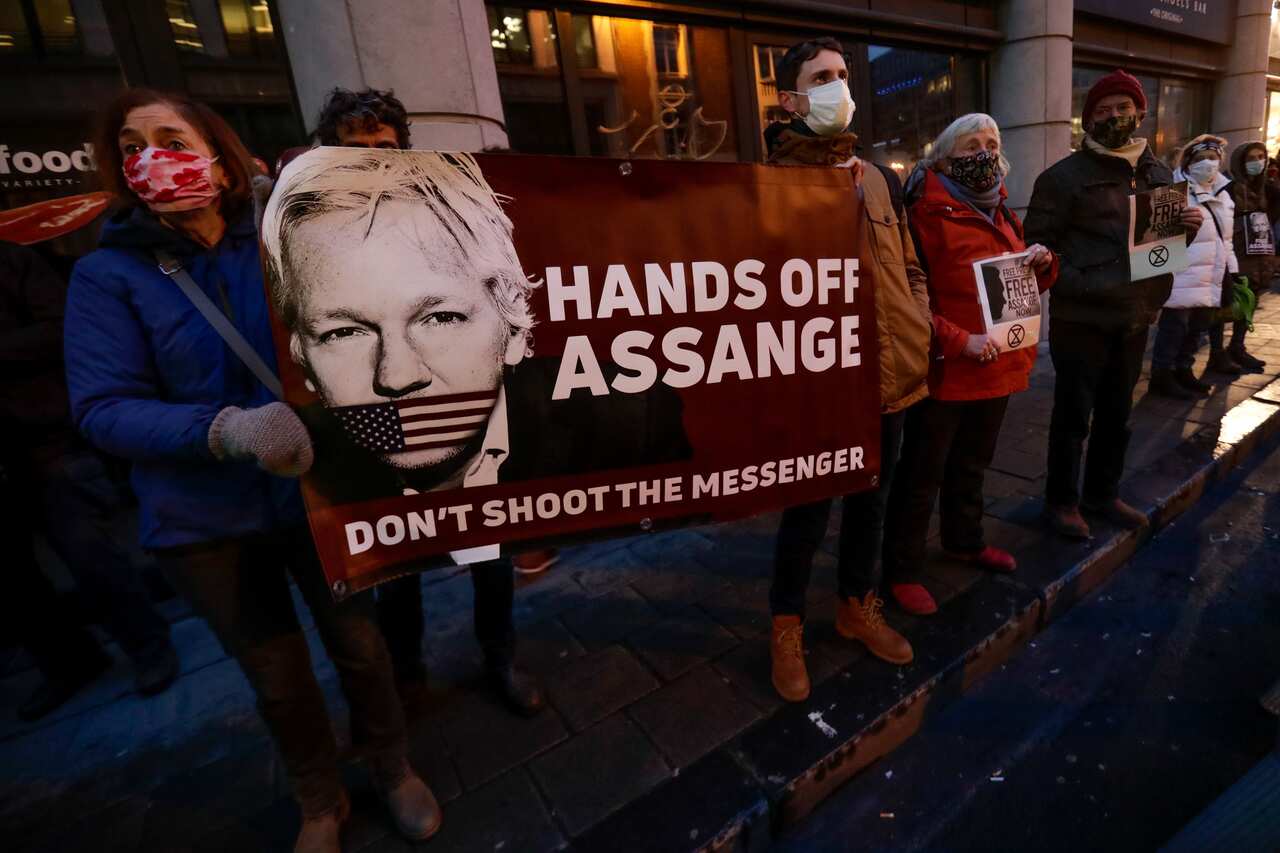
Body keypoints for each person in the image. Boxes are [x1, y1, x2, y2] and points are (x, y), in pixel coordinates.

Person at [63, 89, 439, 853]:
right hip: (204, 521)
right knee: (277, 676)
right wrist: (225, 430)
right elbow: (102, 407)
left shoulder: (283, 235)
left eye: (172, 140)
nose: (152, 159)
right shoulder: (107, 274)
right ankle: (319, 798)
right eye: (132, 147)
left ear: (218, 154)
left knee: (362, 646)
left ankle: (391, 764)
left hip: (318, 495)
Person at [312, 87, 552, 717]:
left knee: (488, 550)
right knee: (398, 563)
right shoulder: (307, 237)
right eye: (355, 148)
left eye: (384, 147)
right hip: (377, 415)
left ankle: (499, 658)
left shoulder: (445, 220)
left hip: (462, 410)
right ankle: (409, 675)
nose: (372, 159)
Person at [762, 37, 929, 702]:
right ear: (791, 100)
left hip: (889, 374)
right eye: (820, 78)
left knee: (871, 502)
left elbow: (909, 264)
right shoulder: (767, 185)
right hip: (820, 384)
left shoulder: (881, 178)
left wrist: (917, 323)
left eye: (842, 74)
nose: (837, 86)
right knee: (807, 512)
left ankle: (857, 605)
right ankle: (786, 626)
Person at [882, 114, 1058, 616]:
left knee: (973, 463)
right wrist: (960, 342)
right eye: (970, 145)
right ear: (943, 159)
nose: (984, 153)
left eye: (991, 143)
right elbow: (907, 299)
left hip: (995, 366)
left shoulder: (1001, 211)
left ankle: (964, 540)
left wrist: (1043, 266)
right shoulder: (922, 217)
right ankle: (901, 570)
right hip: (945, 370)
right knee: (922, 475)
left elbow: (1016, 290)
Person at [1, 240, 177, 721]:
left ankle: (149, 646)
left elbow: (60, 327)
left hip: (46, 438)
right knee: (13, 579)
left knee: (89, 553)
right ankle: (68, 663)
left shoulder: (13, 261)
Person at [1025, 69, 1202, 540]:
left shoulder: (1157, 173)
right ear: (1087, 121)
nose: (1114, 117)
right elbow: (1038, 245)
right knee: (1073, 416)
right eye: (1102, 111)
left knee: (1117, 415)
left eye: (1123, 108)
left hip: (1135, 315)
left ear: (1140, 113)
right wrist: (1082, 282)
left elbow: (1159, 252)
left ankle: (1102, 494)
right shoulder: (1062, 178)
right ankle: (1062, 502)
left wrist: (1186, 232)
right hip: (1082, 317)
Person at [1150, 136, 1237, 399]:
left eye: (1213, 158)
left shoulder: (1223, 193)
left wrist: (1231, 271)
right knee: (1174, 329)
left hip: (1211, 275)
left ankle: (1183, 370)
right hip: (1181, 276)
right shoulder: (1174, 191)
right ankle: (1162, 376)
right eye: (1200, 159)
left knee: (1197, 329)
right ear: (1188, 162)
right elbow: (1160, 238)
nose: (1208, 164)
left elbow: (1226, 239)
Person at [1220, 139, 1280, 372]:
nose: (1257, 162)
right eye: (1251, 158)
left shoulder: (1268, 189)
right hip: (1235, 251)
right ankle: (1217, 352)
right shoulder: (1228, 188)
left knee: (1250, 300)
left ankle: (1237, 346)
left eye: (1260, 157)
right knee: (1227, 302)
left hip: (1260, 252)